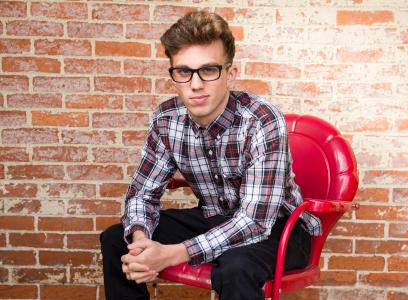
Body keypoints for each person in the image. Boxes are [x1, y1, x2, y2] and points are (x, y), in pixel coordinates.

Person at [100, 11, 322, 300]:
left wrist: (172, 254)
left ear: (230, 74)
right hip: (214, 217)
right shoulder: (167, 119)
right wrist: (142, 244)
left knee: (235, 267)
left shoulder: (262, 120)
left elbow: (254, 221)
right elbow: (142, 194)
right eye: (183, 71)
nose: (195, 84)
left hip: (279, 228)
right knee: (118, 239)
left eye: (208, 70)